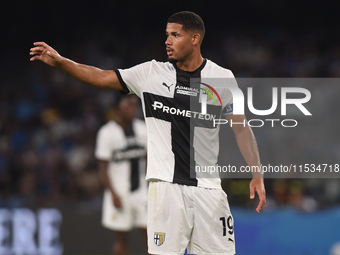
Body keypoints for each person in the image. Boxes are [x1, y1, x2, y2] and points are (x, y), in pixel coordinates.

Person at [30, 11, 266, 255]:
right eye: (167, 35)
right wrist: (62, 62)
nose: (167, 40)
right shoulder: (150, 74)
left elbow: (241, 127)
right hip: (165, 190)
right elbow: (101, 77)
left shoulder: (223, 78)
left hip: (209, 190)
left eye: (175, 35)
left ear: (195, 39)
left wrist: (257, 173)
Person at [95, 95, 148, 255]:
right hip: (119, 192)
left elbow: (150, 159)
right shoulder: (107, 132)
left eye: (134, 106)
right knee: (121, 239)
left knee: (152, 239)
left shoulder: (142, 128)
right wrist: (113, 193)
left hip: (142, 192)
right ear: (118, 106)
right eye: (128, 106)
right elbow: (103, 168)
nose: (131, 109)